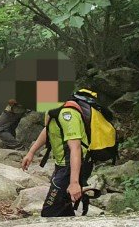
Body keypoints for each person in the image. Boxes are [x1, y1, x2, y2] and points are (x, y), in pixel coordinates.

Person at [21, 88, 95, 217]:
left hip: (73, 165)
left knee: (49, 211)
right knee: (62, 207)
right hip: (62, 164)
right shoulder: (52, 109)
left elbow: (75, 148)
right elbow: (48, 129)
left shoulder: (67, 114)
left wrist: (74, 182)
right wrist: (31, 152)